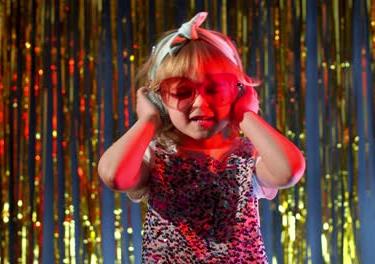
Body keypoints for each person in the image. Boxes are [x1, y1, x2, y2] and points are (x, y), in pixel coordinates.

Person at [98, 11, 306, 263]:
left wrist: (245, 115)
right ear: (159, 100)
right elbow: (114, 175)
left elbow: (289, 171)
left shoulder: (246, 156)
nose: (201, 103)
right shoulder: (156, 157)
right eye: (182, 91)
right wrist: (148, 121)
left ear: (238, 93)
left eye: (216, 89)